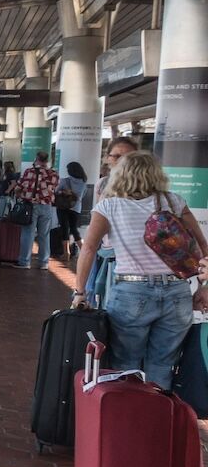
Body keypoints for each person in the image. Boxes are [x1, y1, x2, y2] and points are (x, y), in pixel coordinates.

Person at [74, 152, 208, 389]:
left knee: (125, 363)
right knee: (163, 363)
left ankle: (128, 421)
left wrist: (80, 292)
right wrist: (205, 287)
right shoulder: (175, 201)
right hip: (177, 292)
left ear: (121, 176)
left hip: (131, 292)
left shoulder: (109, 206)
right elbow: (202, 247)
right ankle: (155, 421)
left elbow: (89, 250)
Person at [10, 151, 60, 269]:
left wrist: (21, 195)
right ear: (47, 161)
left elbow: (19, 187)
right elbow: (55, 187)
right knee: (44, 235)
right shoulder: (53, 174)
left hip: (31, 206)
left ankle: (25, 261)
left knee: (28, 233)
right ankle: (44, 263)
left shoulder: (29, 172)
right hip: (47, 206)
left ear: (36, 159)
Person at [54, 162, 87, 258]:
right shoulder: (83, 183)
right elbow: (81, 196)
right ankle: (84, 251)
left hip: (63, 207)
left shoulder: (65, 181)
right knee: (74, 229)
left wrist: (63, 192)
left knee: (65, 229)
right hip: (76, 208)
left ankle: (66, 253)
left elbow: (56, 191)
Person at [93, 135, 138, 200]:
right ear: (108, 158)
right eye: (117, 156)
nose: (122, 161)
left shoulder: (145, 185)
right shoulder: (102, 184)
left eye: (128, 157)